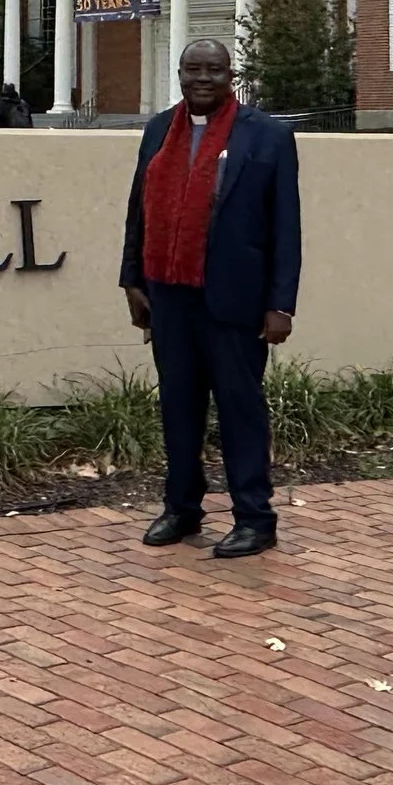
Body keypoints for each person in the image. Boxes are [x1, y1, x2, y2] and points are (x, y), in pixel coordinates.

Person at [118, 38, 302, 559]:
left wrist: (280, 304)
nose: (202, 78)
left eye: (213, 70)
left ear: (230, 75)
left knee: (241, 409)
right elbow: (139, 209)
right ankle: (181, 508)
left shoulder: (268, 136)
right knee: (178, 406)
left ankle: (255, 518)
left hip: (235, 298)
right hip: (169, 294)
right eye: (192, 69)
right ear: (178, 74)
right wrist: (132, 280)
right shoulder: (158, 129)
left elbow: (285, 226)